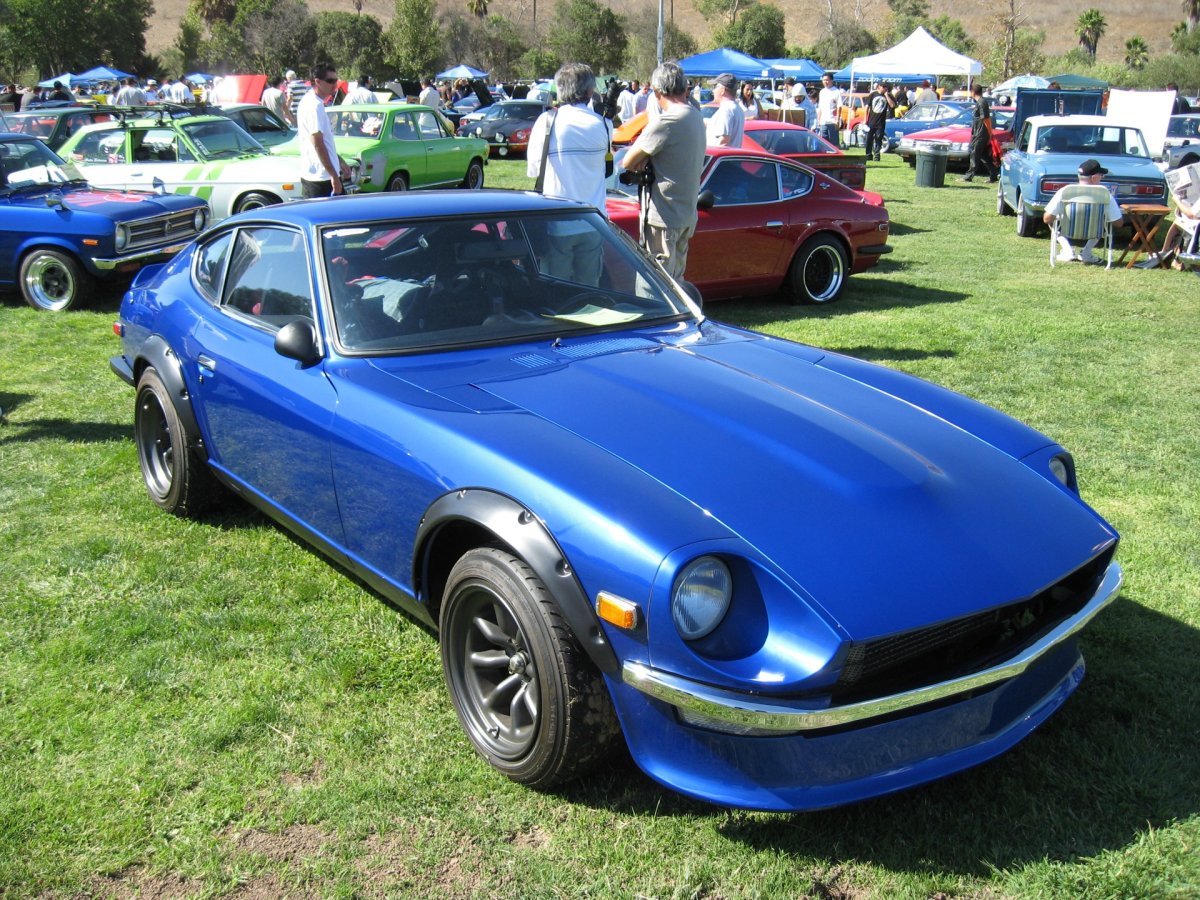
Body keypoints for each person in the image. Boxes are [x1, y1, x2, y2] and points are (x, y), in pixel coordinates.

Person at [526, 62, 614, 283]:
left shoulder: (547, 122)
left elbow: (534, 170)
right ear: (589, 91)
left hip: (557, 221)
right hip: (594, 219)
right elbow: (608, 170)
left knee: (555, 290)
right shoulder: (603, 124)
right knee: (590, 289)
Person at [620, 61, 706, 281]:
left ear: (657, 92)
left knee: (657, 286)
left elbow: (628, 161)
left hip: (664, 216)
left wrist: (645, 157)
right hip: (685, 213)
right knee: (677, 283)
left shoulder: (668, 121)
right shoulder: (696, 115)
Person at [1041, 159, 1124, 264]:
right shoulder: (1104, 194)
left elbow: (1047, 218)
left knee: (1053, 223)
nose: (1102, 178)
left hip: (1067, 230)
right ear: (1093, 178)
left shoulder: (1065, 191)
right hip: (1094, 232)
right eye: (1101, 175)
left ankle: (1067, 250)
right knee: (1102, 221)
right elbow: (1118, 223)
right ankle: (1086, 252)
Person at [296, 62, 351, 198]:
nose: (335, 85)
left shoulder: (312, 102)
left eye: (336, 80)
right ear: (318, 82)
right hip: (321, 179)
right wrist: (333, 175)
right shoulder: (314, 106)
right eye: (330, 81)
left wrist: (339, 161)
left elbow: (324, 142)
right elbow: (317, 143)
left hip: (320, 176)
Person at [962, 84, 997, 182]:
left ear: (973, 92)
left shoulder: (982, 102)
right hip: (978, 133)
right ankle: (994, 175)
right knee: (984, 155)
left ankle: (968, 176)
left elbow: (986, 119)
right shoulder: (979, 102)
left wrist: (990, 134)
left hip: (980, 134)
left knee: (974, 153)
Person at [706, 73, 744, 148]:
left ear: (722, 90)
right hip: (730, 158)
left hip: (719, 158)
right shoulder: (737, 108)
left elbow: (723, 141)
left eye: (715, 87)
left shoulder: (726, 110)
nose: (713, 90)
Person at [863, 82, 895, 162]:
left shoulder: (888, 95)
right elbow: (867, 107)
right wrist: (865, 119)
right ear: (879, 87)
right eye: (883, 86)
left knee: (878, 139)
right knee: (869, 139)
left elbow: (892, 105)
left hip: (881, 122)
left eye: (886, 87)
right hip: (871, 121)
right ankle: (868, 154)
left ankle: (876, 155)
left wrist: (887, 95)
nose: (884, 88)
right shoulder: (873, 95)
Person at [816, 73, 843, 147]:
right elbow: (820, 107)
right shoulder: (822, 92)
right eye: (824, 80)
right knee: (823, 142)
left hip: (832, 121)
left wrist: (837, 119)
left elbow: (839, 106)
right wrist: (818, 119)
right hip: (823, 121)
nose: (825, 82)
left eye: (827, 80)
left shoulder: (836, 91)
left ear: (831, 80)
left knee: (834, 143)